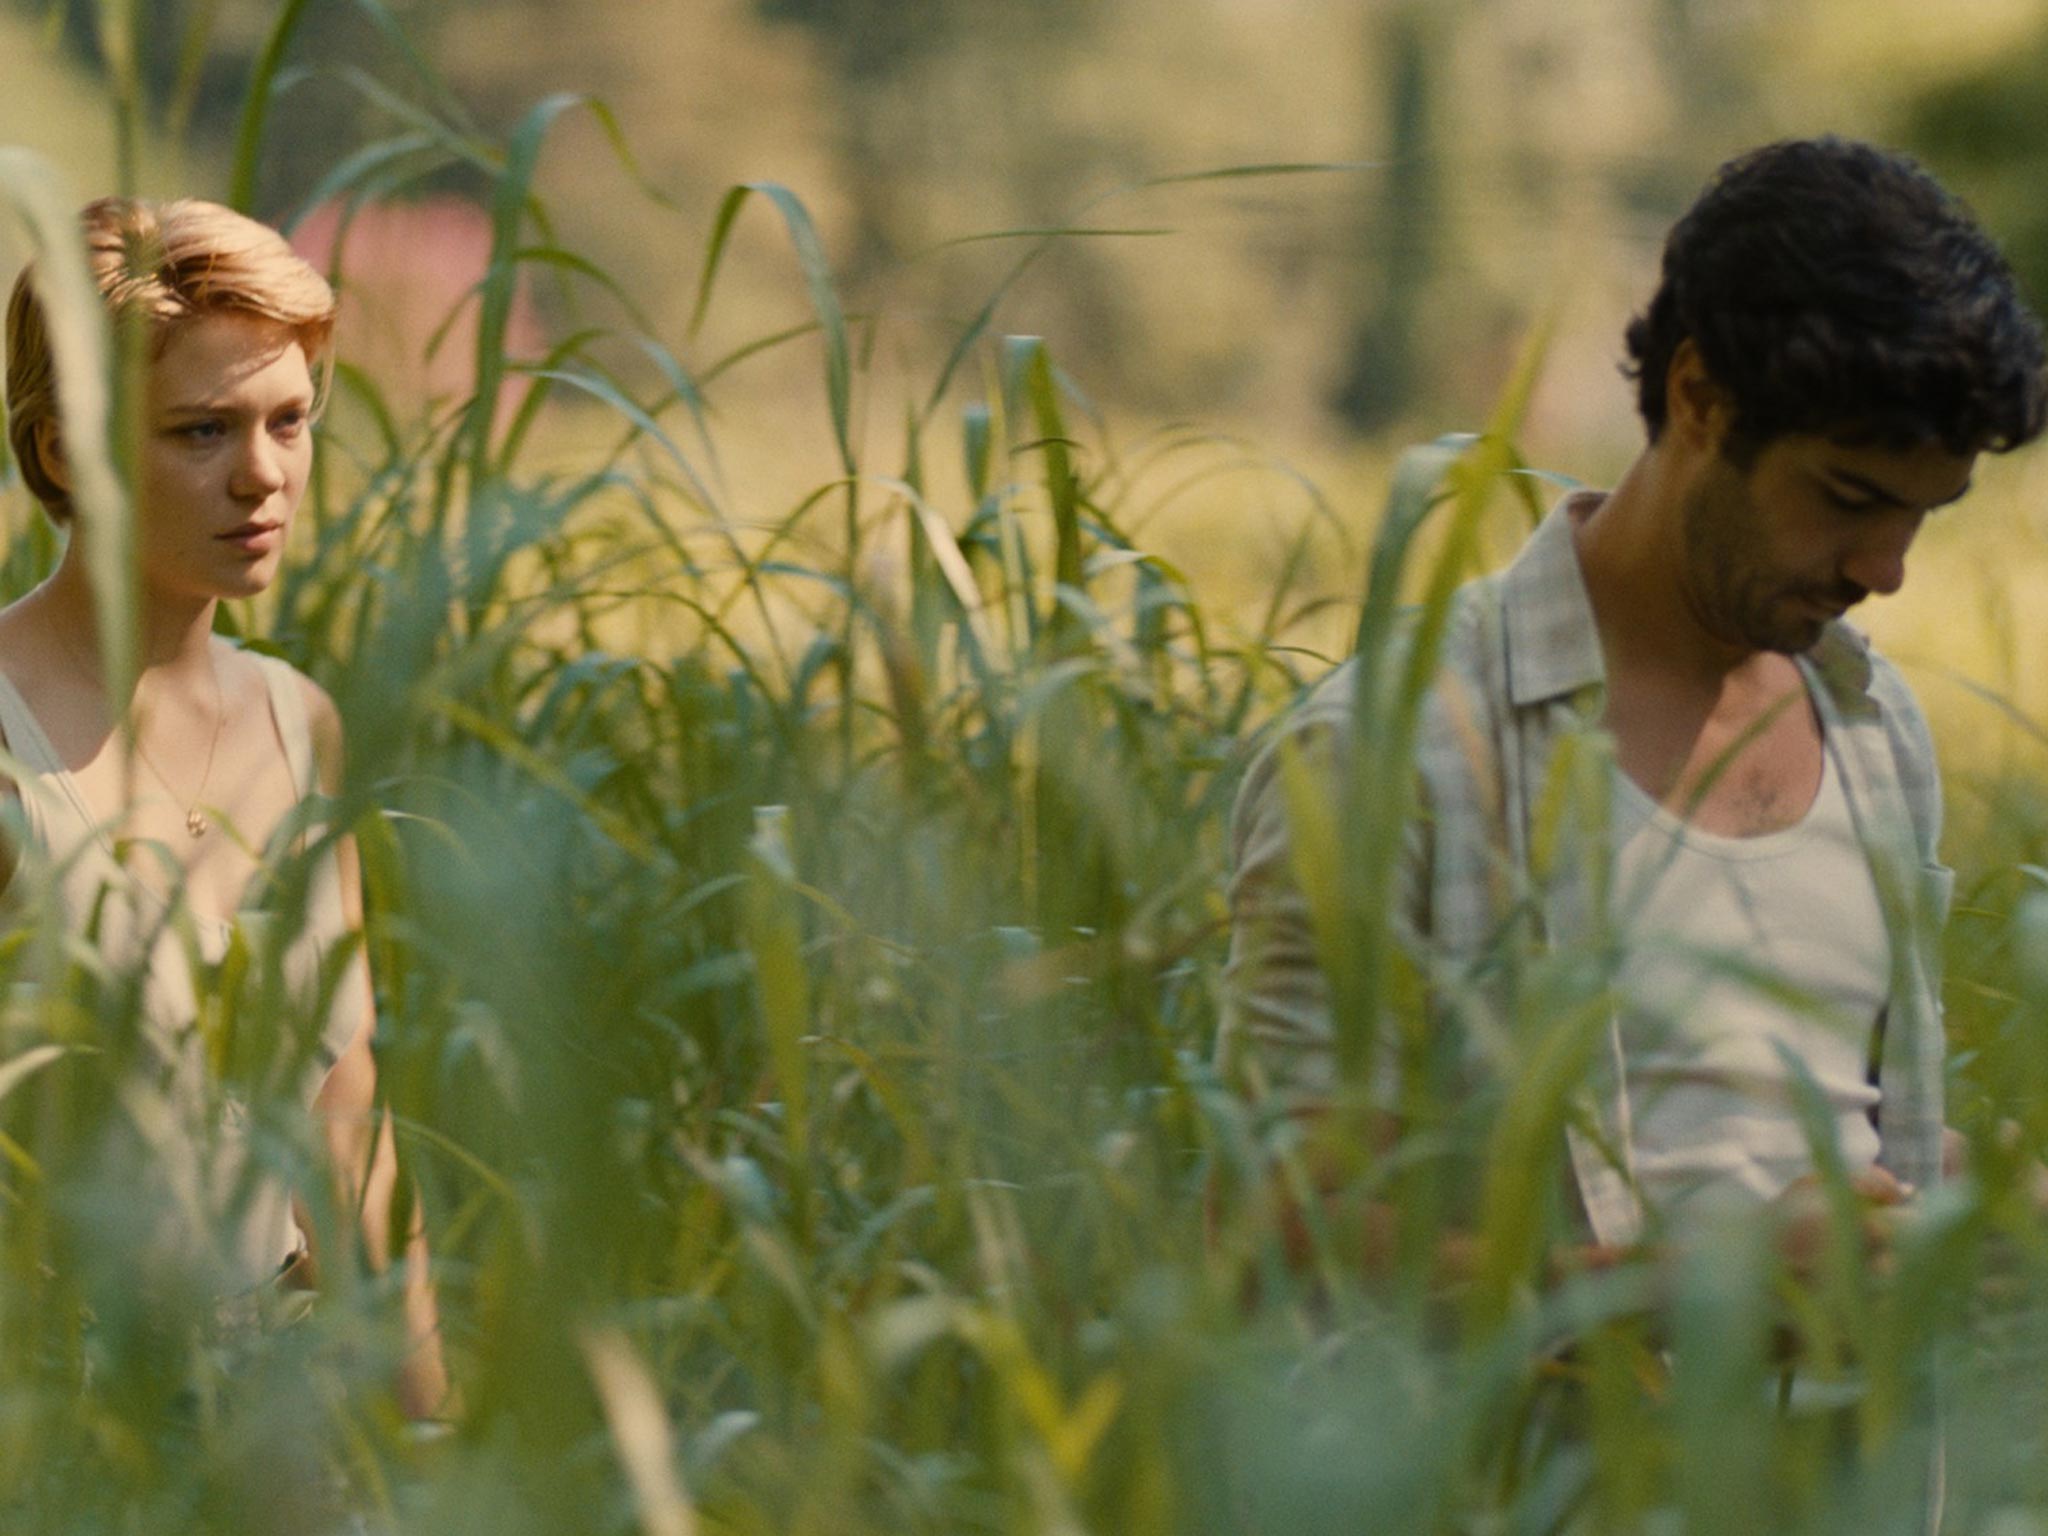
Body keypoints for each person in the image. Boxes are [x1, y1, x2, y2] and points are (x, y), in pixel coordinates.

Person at [1220, 138, 2048, 1275]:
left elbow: (1807, 1134)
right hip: (1528, 1453)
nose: (1886, 569)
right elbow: (1270, 1232)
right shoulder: (1384, 753)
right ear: (1698, 396)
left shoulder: (1872, 727)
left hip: (1862, 1459)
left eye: (1924, 513)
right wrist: (1683, 1298)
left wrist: (1986, 1193)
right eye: (1846, 497)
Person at [0, 197, 447, 1415]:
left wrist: (430, 1450)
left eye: (290, 421)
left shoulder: (300, 724)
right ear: (59, 450)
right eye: (202, 430)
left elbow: (348, 1134)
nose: (263, 475)